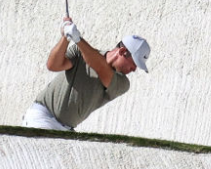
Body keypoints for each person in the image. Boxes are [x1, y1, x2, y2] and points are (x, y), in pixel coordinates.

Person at [21, 18, 151, 131]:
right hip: (42, 117)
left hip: (65, 129)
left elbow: (102, 69)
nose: (134, 69)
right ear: (122, 51)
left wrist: (77, 39)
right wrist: (66, 36)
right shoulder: (80, 52)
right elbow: (53, 65)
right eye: (134, 63)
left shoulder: (123, 83)